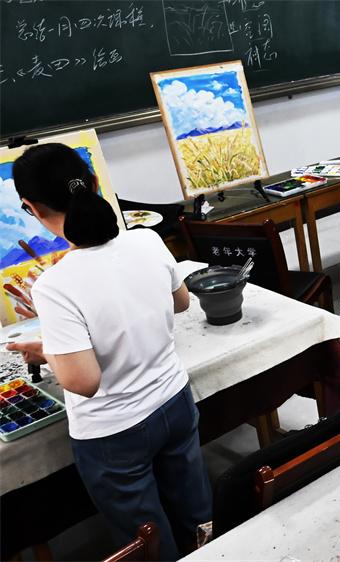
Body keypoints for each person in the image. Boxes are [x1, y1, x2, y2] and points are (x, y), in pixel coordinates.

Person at [6, 144, 211, 560]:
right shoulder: (147, 240)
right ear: (95, 183)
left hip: (114, 432)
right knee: (195, 511)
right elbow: (180, 302)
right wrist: (61, 343)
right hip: (174, 400)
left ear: (32, 208)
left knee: (147, 538)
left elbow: (83, 381)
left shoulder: (54, 286)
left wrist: (50, 351)